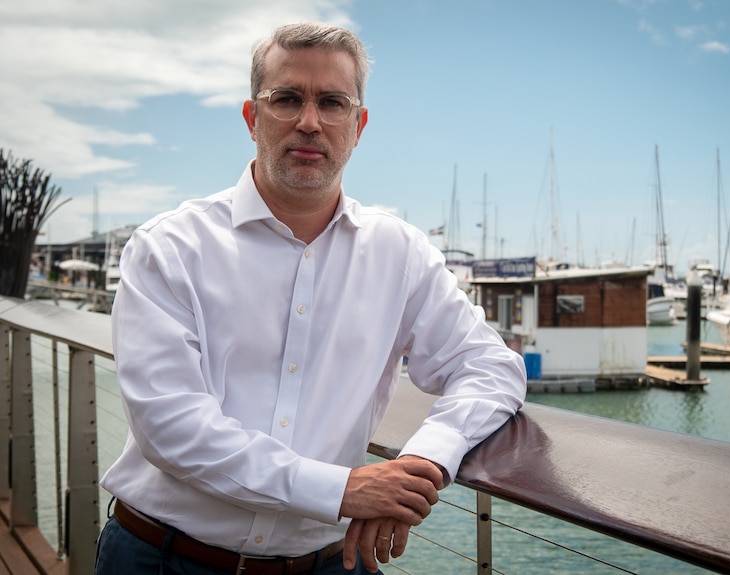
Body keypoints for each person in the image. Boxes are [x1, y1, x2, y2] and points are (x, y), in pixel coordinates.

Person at [94, 22, 526, 575]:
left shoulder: (400, 254)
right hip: (164, 559)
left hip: (327, 565)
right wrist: (344, 491)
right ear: (253, 118)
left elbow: (490, 366)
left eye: (332, 103)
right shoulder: (170, 247)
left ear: (358, 125)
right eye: (287, 99)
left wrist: (421, 464)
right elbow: (170, 423)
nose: (309, 121)